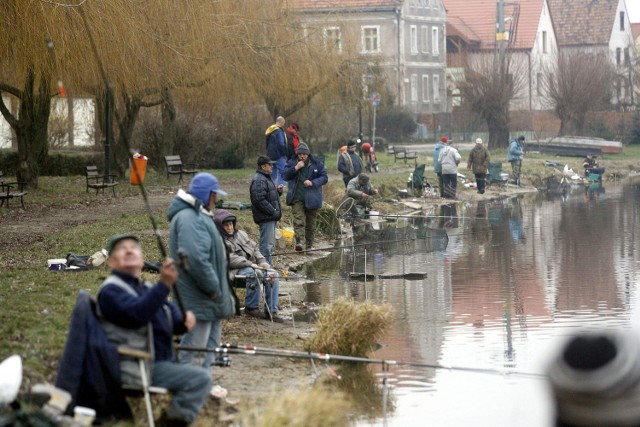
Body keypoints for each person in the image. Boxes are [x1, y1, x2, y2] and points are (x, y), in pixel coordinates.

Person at [96, 234, 211, 426]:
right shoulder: (111, 291)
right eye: (122, 249)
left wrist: (182, 322)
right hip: (135, 365)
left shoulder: (144, 287)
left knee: (198, 375)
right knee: (200, 379)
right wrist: (164, 285)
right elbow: (137, 314)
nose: (130, 250)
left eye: (134, 247)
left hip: (158, 361)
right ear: (111, 262)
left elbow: (168, 316)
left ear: (142, 260)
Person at [166, 173, 236, 400]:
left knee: (208, 348)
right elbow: (194, 259)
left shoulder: (199, 214)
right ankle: (189, 394)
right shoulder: (189, 218)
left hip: (208, 299)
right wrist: (214, 288)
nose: (216, 200)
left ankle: (203, 389)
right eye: (215, 195)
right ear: (207, 195)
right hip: (198, 298)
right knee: (194, 350)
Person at [214, 210, 283, 323]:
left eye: (231, 224)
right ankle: (251, 307)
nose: (230, 227)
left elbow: (255, 249)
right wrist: (251, 264)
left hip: (253, 267)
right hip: (234, 272)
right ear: (220, 227)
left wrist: (263, 263)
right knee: (255, 273)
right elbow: (229, 258)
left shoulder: (241, 234)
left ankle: (272, 311)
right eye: (226, 225)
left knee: (273, 274)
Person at [282, 142, 328, 252]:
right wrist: (295, 168)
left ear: (308, 154)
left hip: (312, 198)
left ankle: (309, 245)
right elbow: (285, 176)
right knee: (299, 221)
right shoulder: (292, 162)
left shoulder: (316, 163)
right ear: (297, 154)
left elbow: (324, 177)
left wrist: (313, 182)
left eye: (304, 154)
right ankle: (299, 242)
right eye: (300, 154)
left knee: (311, 224)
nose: (302, 156)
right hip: (297, 197)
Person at [250, 156, 283, 265]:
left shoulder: (265, 178)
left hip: (269, 217)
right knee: (266, 247)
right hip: (266, 218)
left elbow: (267, 196)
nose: (272, 166)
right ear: (263, 166)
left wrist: (278, 192)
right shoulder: (259, 179)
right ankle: (265, 271)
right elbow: (258, 200)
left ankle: (268, 270)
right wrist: (273, 211)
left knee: (269, 246)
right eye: (269, 164)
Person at [265, 116, 288, 185]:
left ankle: (271, 187)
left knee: (272, 172)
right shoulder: (279, 131)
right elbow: (281, 144)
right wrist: (285, 152)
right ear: (282, 122)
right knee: (283, 172)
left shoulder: (270, 131)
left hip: (270, 155)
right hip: (279, 156)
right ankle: (280, 188)